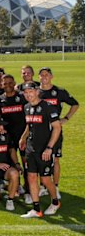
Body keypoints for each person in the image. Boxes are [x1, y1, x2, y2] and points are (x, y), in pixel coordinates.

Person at [19, 82, 62, 218]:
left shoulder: (48, 107)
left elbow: (57, 127)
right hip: (31, 148)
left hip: (45, 149)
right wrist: (23, 138)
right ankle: (36, 209)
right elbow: (30, 124)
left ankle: (55, 202)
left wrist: (49, 148)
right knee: (31, 177)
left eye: (30, 91)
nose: (28, 95)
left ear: (37, 91)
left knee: (45, 179)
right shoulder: (26, 107)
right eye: (25, 93)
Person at [38, 67, 79, 200]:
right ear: (39, 77)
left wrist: (66, 118)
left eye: (47, 75)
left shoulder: (59, 92)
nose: (44, 77)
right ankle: (43, 186)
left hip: (54, 131)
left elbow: (75, 104)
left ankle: (55, 186)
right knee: (39, 159)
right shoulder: (35, 92)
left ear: (51, 76)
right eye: (42, 75)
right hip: (39, 131)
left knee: (55, 159)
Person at [0, 74, 28, 199]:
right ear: (2, 85)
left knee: (26, 164)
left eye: (10, 82)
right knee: (13, 163)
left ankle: (28, 189)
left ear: (14, 82)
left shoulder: (22, 97)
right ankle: (17, 185)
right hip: (9, 139)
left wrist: (25, 136)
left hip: (23, 137)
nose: (8, 85)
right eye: (5, 83)